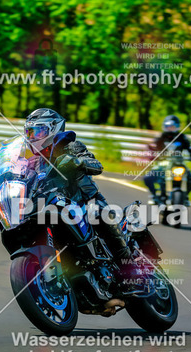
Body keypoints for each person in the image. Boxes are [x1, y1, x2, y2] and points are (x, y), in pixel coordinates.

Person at [7, 108, 133, 264]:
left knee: (99, 212)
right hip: (53, 206)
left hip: (84, 201)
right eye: (29, 133)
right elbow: (21, 182)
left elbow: (96, 165)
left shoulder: (71, 147)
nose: (33, 137)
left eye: (38, 132)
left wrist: (79, 161)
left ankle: (128, 261)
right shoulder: (33, 163)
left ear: (53, 129)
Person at [144, 115, 191, 205]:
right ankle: (154, 196)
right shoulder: (160, 137)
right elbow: (152, 148)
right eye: (168, 126)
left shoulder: (182, 137)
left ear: (177, 127)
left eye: (172, 126)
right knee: (148, 177)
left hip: (179, 163)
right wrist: (152, 155)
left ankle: (185, 197)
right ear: (164, 126)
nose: (170, 128)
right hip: (163, 164)